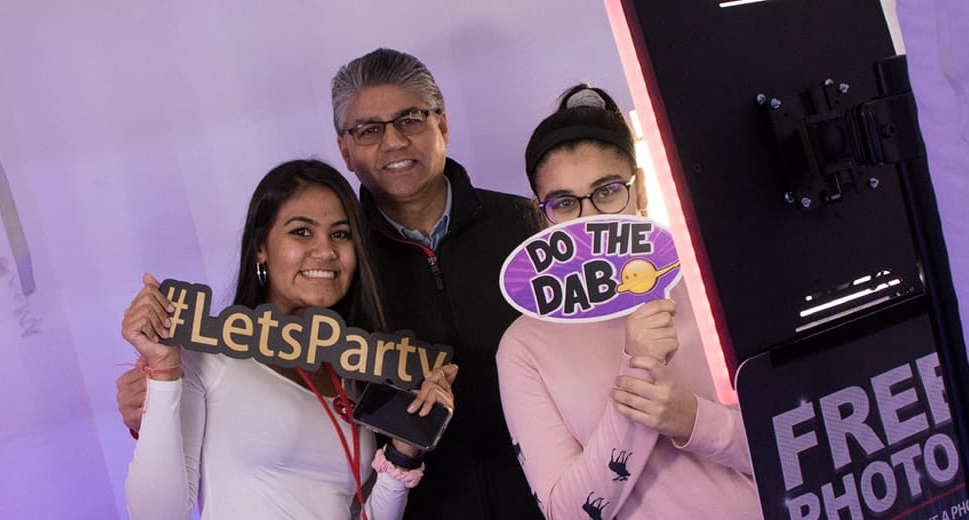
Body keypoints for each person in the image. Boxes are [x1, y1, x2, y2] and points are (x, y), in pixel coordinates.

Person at [117, 49, 545, 519]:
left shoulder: (527, 227)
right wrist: (160, 390)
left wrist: (403, 454)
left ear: (441, 124)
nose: (395, 142)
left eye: (410, 119)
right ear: (346, 148)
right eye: (369, 129)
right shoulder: (334, 283)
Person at [121, 160, 458, 519]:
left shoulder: (352, 374)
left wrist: (403, 451)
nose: (325, 250)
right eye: (301, 232)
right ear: (260, 248)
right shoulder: (208, 358)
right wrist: (163, 370)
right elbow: (156, 513)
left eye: (341, 234)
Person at [495, 85, 760, 519]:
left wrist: (693, 420)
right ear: (540, 215)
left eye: (607, 191)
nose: (590, 218)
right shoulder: (524, 345)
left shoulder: (712, 286)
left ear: (640, 194)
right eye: (564, 203)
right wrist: (638, 368)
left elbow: (801, 444)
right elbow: (569, 513)